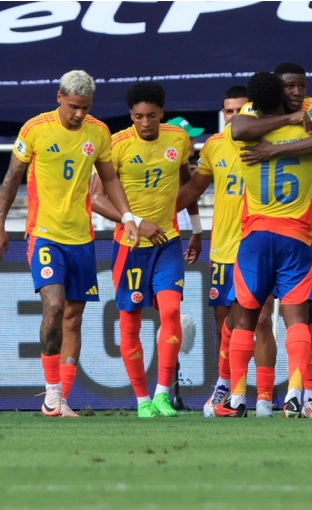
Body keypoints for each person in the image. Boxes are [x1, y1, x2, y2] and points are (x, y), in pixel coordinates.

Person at [0, 70, 139, 417]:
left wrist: (128, 217)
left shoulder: (99, 132)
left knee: (74, 319)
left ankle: (62, 399)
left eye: (86, 107)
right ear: (59, 96)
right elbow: (11, 178)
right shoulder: (35, 129)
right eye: (74, 106)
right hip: (44, 232)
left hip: (82, 238)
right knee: (55, 306)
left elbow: (108, 178)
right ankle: (50, 393)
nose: (79, 114)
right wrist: (0, 223)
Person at [230, 62, 312, 418]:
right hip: (296, 232)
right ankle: (295, 394)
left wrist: (270, 150)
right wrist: (292, 126)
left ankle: (244, 397)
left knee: (255, 315)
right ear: (278, 91)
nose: (297, 93)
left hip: (260, 233)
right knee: (298, 315)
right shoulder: (302, 119)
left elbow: (239, 129)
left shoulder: (257, 127)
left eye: (301, 87)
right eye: (289, 87)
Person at [91, 82, 202, 418]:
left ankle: (163, 394)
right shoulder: (117, 144)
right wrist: (135, 221)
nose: (145, 123)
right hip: (131, 246)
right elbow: (96, 198)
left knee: (170, 312)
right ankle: (141, 400)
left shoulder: (178, 139)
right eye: (138, 116)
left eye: (151, 116)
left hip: (168, 240)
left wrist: (197, 229)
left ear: (161, 113)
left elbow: (187, 183)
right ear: (131, 116)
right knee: (130, 324)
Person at [174, 85, 266, 417]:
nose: (234, 116)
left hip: (257, 247)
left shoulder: (269, 142)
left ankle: (259, 396)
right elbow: (195, 187)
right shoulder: (214, 145)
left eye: (242, 110)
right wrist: (162, 213)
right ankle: (226, 391)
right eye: (229, 111)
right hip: (223, 250)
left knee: (260, 323)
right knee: (223, 326)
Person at [167, 116, 205, 232]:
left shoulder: (185, 164)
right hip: (174, 214)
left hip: (183, 213)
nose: (195, 142)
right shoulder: (167, 163)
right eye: (190, 138)